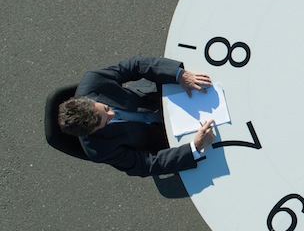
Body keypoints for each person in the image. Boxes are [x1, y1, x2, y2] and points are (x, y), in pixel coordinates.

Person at [58, 56, 216, 176]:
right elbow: (146, 165)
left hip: (158, 96)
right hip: (168, 139)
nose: (112, 113)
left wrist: (178, 75)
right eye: (107, 121)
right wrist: (193, 148)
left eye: (106, 108)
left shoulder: (93, 81)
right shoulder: (99, 150)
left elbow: (136, 65)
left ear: (89, 100)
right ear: (91, 132)